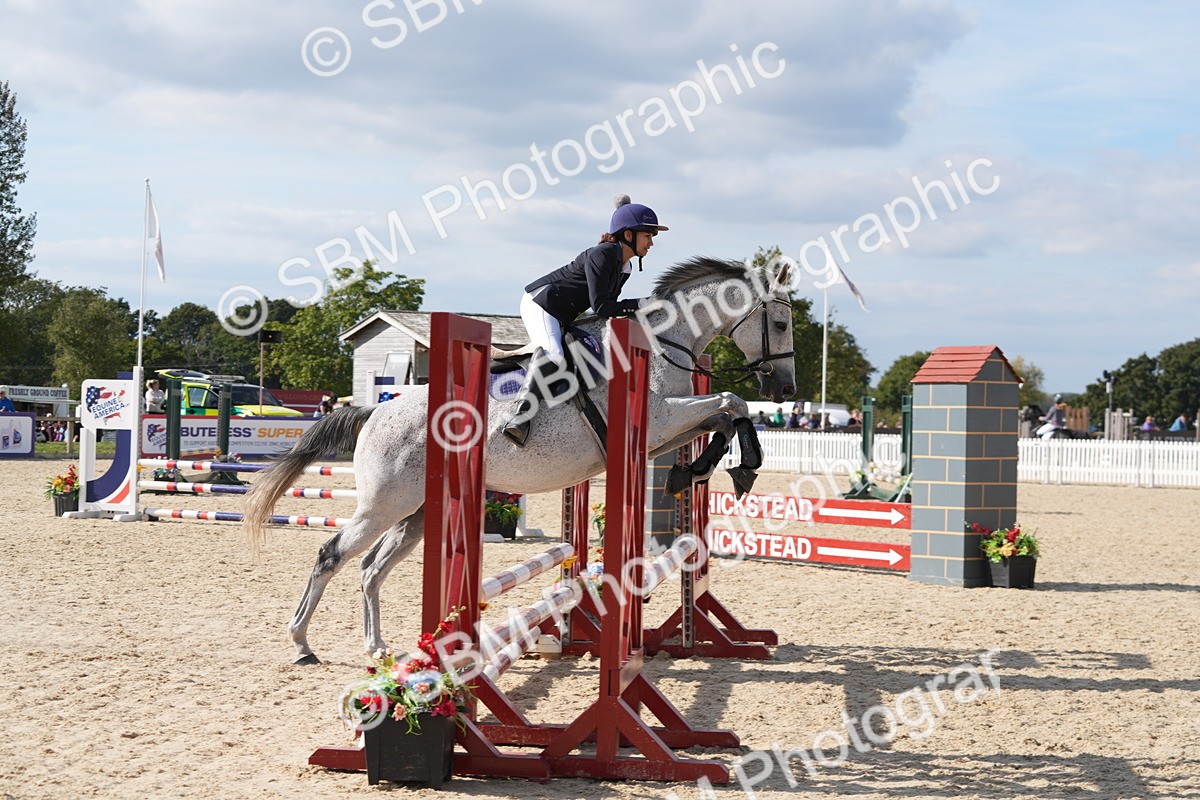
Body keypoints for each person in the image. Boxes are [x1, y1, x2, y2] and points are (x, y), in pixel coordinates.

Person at [502, 194, 668, 446]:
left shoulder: (625, 267)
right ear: (628, 235)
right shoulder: (602, 254)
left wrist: (641, 308)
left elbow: (611, 308)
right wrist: (642, 303)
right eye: (648, 235)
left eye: (652, 237)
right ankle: (519, 417)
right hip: (542, 304)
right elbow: (601, 306)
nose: (651, 243)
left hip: (565, 314)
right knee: (554, 354)